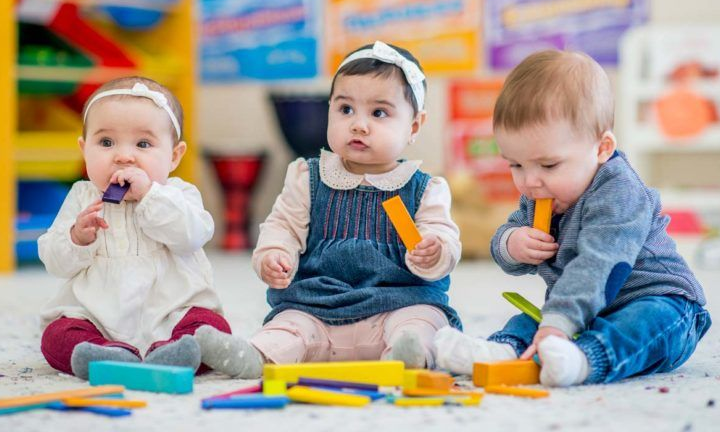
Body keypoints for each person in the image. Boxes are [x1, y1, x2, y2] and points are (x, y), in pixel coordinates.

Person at [434, 50, 710, 387]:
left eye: (548, 165)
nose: (530, 181)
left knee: (644, 323)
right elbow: (507, 243)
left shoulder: (620, 192)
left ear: (602, 148)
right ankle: (502, 351)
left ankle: (584, 360)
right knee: (528, 321)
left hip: (664, 303)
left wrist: (561, 321)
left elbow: (600, 264)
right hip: (586, 310)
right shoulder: (540, 195)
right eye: (516, 165)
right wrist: (512, 244)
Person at [196, 41, 462, 378]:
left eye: (379, 113)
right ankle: (257, 356)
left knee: (424, 321)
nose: (359, 125)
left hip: (398, 303)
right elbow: (283, 225)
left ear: (414, 126)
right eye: (345, 109)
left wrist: (434, 251)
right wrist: (275, 253)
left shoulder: (425, 189)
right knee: (290, 326)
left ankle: (407, 355)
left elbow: (443, 235)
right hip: (318, 307)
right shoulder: (308, 177)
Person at [38, 77, 230, 379]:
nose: (124, 156)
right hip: (95, 314)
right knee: (55, 337)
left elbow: (192, 236)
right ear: (84, 149)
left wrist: (150, 196)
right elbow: (54, 260)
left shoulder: (179, 194)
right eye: (105, 142)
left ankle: (176, 352)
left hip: (172, 310)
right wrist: (76, 237)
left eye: (143, 144)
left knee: (211, 328)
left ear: (174, 156)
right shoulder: (82, 197)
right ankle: (103, 353)